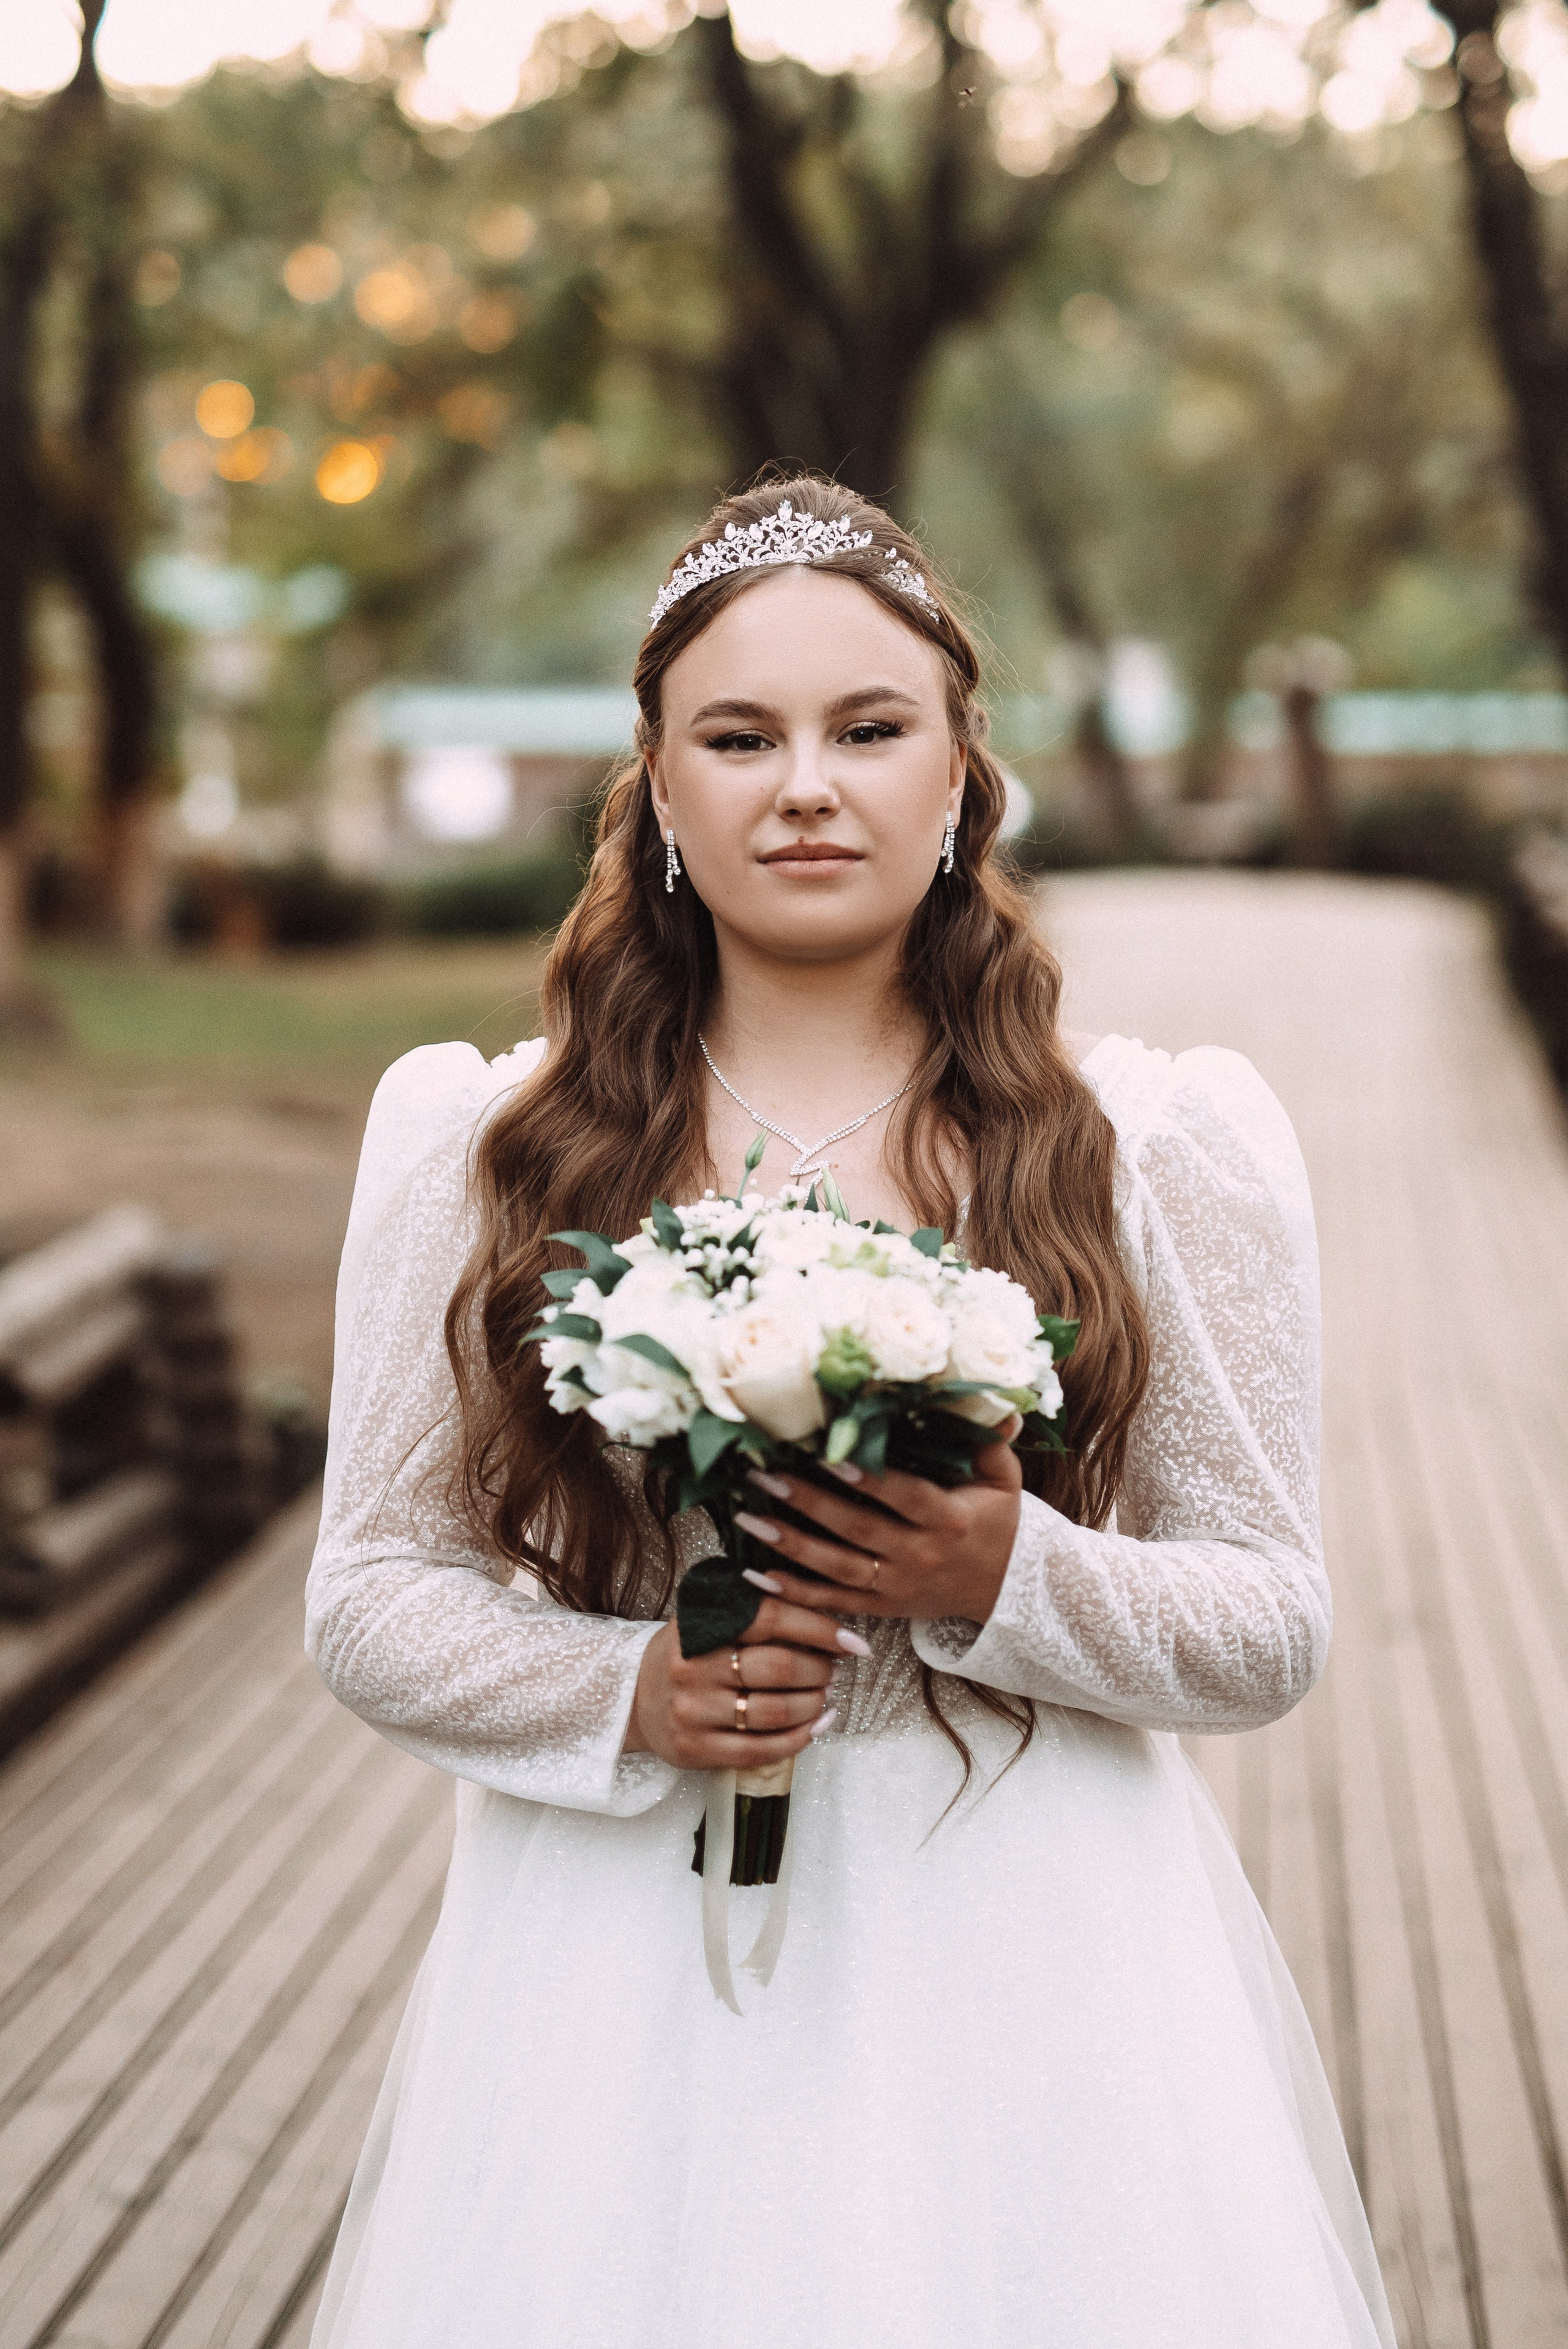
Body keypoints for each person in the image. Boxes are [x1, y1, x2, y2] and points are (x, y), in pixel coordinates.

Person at [305, 475, 1395, 2348]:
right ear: (659, 788)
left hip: (1035, 1945)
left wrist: (1002, 1569)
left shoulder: (1153, 1146)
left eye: (868, 729)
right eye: (740, 737)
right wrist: (631, 1690)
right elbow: (371, 1592)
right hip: (618, 1963)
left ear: (961, 772)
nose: (805, 784)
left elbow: (1267, 1618)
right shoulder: (486, 1143)